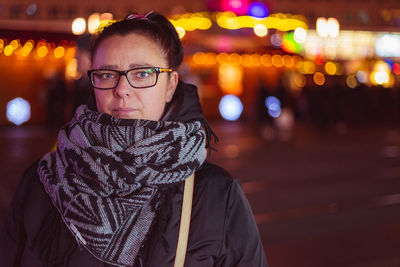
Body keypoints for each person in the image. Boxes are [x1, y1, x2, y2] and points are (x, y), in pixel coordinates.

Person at [0, 12, 267, 267]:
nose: (122, 90)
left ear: (171, 84)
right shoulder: (43, 179)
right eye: (107, 74)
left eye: (142, 73)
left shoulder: (215, 193)